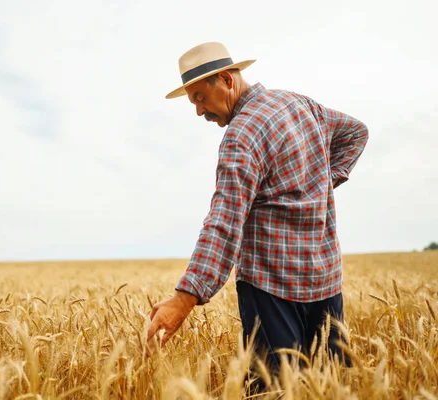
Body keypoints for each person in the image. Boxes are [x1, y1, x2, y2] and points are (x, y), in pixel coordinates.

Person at [146, 42, 368, 387]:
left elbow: (224, 223)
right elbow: (356, 132)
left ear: (226, 80)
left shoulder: (242, 135)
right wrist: (322, 182)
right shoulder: (299, 104)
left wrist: (183, 299)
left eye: (200, 98)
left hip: (271, 288)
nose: (199, 111)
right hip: (326, 282)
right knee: (328, 389)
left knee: (273, 391)